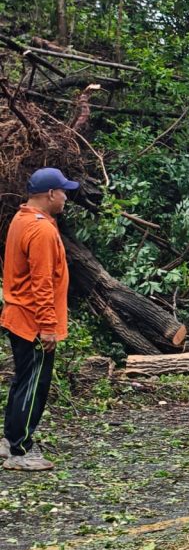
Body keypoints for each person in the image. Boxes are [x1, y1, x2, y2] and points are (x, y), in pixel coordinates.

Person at [1, 167, 79, 471]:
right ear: (50, 194)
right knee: (34, 385)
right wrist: (47, 327)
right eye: (63, 192)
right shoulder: (42, 230)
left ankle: (10, 441)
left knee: (23, 382)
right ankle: (21, 451)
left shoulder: (22, 220)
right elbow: (42, 283)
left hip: (18, 315)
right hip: (34, 321)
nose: (65, 197)